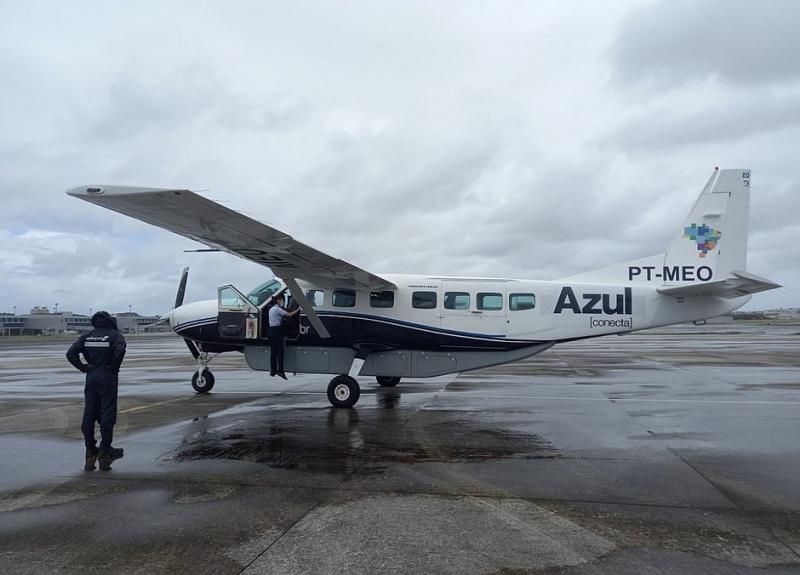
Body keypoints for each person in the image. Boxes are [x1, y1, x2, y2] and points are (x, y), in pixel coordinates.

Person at [66, 311, 127, 471]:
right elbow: (120, 350)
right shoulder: (115, 336)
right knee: (107, 413)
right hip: (107, 377)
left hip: (91, 376)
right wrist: (113, 366)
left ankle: (90, 449)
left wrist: (84, 368)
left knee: (89, 413)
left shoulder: (86, 337)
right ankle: (105, 448)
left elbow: (70, 354)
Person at [268, 293, 299, 379]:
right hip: (277, 331)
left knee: (273, 352)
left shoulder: (271, 309)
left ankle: (273, 371)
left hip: (270, 331)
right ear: (278, 300)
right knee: (280, 352)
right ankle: (280, 371)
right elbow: (289, 315)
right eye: (282, 300)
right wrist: (298, 309)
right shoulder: (278, 309)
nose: (282, 301)